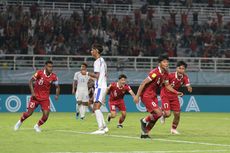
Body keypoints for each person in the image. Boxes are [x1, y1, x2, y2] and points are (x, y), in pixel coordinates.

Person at [134, 55, 183, 139]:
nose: (166, 63)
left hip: (153, 95)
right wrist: (137, 96)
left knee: (156, 116)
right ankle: (144, 120)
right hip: (147, 95)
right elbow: (143, 83)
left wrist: (176, 92)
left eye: (167, 62)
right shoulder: (154, 73)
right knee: (159, 113)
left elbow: (167, 85)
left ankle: (144, 133)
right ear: (159, 63)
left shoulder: (166, 73)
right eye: (164, 62)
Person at [14, 60, 60, 132]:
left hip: (45, 98)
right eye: (49, 67)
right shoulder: (39, 73)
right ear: (45, 67)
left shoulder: (54, 76)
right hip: (35, 97)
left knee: (46, 115)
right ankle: (19, 122)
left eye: (52, 67)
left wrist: (57, 95)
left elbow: (57, 87)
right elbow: (30, 81)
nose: (51, 68)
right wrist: (32, 92)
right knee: (29, 113)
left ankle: (37, 126)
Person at [160, 61, 192, 134]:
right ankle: (163, 115)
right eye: (179, 68)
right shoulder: (170, 75)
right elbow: (167, 86)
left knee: (177, 114)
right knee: (168, 114)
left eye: (183, 69)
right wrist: (177, 92)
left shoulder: (185, 77)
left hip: (174, 96)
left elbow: (188, 85)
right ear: (176, 69)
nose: (181, 70)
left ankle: (173, 129)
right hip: (165, 94)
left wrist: (189, 87)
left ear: (185, 70)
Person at [86, 43, 109, 134]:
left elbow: (97, 75)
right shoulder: (103, 61)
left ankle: (100, 129)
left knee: (96, 107)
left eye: (92, 50)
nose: (91, 51)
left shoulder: (97, 62)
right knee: (96, 107)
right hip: (102, 86)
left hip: (100, 87)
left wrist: (87, 73)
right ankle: (104, 127)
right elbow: (104, 75)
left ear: (97, 51)